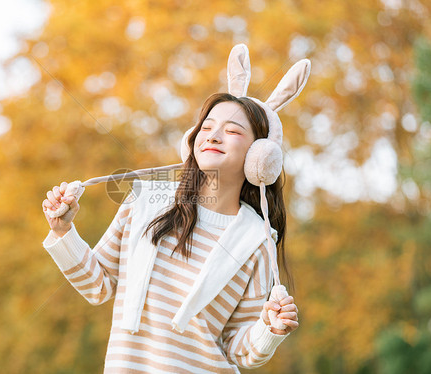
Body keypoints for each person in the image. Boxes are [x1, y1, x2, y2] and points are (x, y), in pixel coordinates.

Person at [41, 92, 300, 373]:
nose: (213, 136)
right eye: (207, 127)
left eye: (232, 131)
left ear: (258, 156)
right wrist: (63, 230)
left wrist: (268, 330)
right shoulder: (143, 201)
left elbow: (237, 349)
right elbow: (98, 285)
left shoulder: (256, 240)